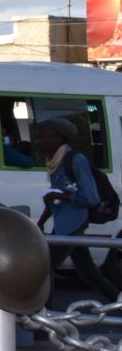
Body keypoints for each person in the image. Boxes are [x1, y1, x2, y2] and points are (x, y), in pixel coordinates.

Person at [35, 116, 119, 301]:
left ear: (58, 138)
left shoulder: (75, 159)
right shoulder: (55, 161)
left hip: (73, 224)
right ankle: (117, 301)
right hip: (64, 223)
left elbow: (90, 197)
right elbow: (54, 197)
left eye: (43, 137)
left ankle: (43, 318)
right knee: (88, 272)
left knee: (44, 270)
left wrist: (58, 196)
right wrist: (41, 221)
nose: (39, 141)